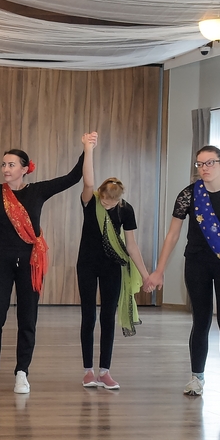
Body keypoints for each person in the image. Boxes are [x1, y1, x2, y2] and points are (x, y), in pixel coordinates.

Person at [0, 135, 87, 394]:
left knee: (27, 318)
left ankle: (22, 372)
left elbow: (72, 177)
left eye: (11, 165)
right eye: (3, 164)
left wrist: (87, 148)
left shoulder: (38, 191)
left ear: (25, 169)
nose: (5, 169)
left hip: (30, 263)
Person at [144, 145, 220, 400]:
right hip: (196, 263)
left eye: (209, 163)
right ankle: (197, 377)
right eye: (200, 164)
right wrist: (159, 270)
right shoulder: (189, 194)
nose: (204, 168)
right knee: (201, 320)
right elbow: (173, 234)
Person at [76, 134, 150, 390]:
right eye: (106, 200)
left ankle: (105, 371)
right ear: (101, 194)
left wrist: (146, 274)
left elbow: (131, 245)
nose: (108, 205)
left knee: (108, 316)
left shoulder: (126, 209)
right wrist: (89, 149)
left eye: (113, 202)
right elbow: (88, 180)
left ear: (120, 199)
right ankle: (88, 371)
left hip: (112, 266)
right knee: (88, 316)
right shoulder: (90, 201)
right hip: (87, 264)